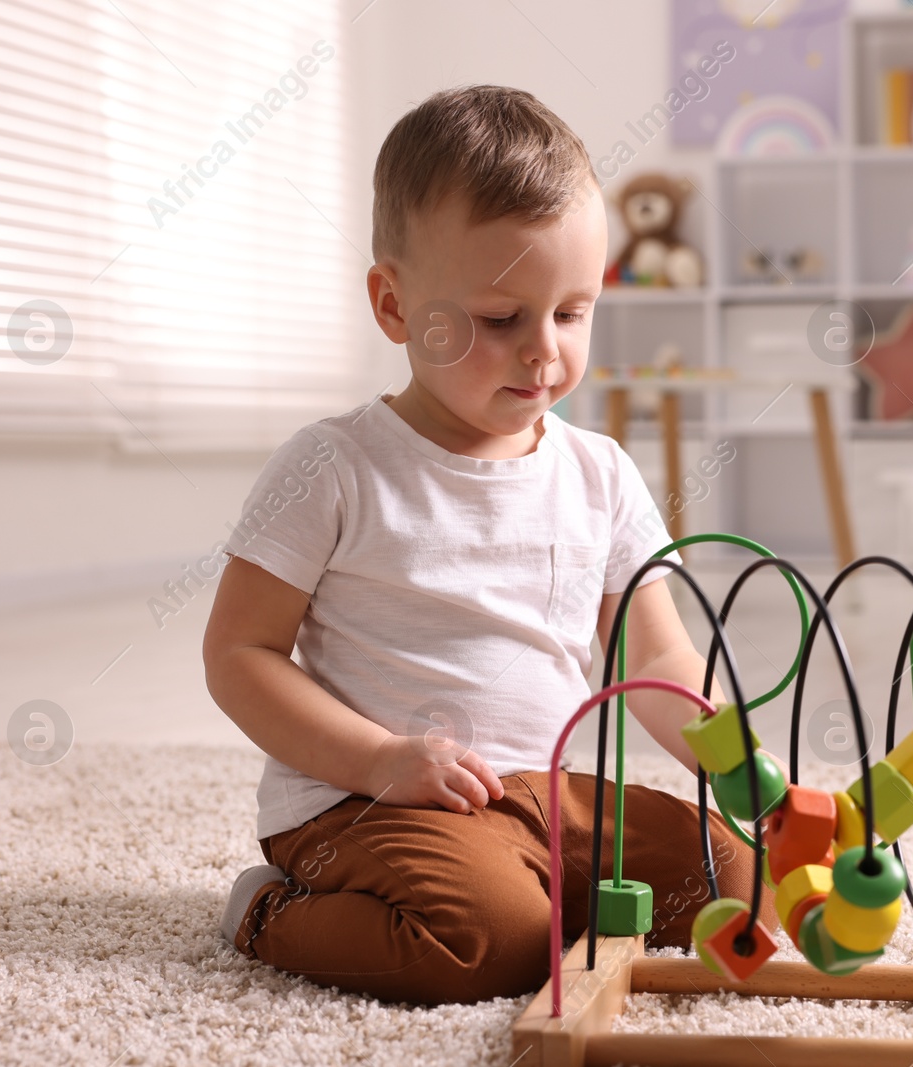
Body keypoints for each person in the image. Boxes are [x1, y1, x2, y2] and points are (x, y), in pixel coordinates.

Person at [203, 84, 770, 1005]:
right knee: (489, 939)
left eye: (573, 312)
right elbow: (239, 653)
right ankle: (267, 912)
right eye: (502, 319)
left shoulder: (601, 473)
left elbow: (655, 652)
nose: (543, 351)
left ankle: (553, 897)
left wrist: (730, 753)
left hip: (550, 795)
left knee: (743, 886)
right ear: (394, 305)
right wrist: (379, 758)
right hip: (369, 802)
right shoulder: (335, 465)